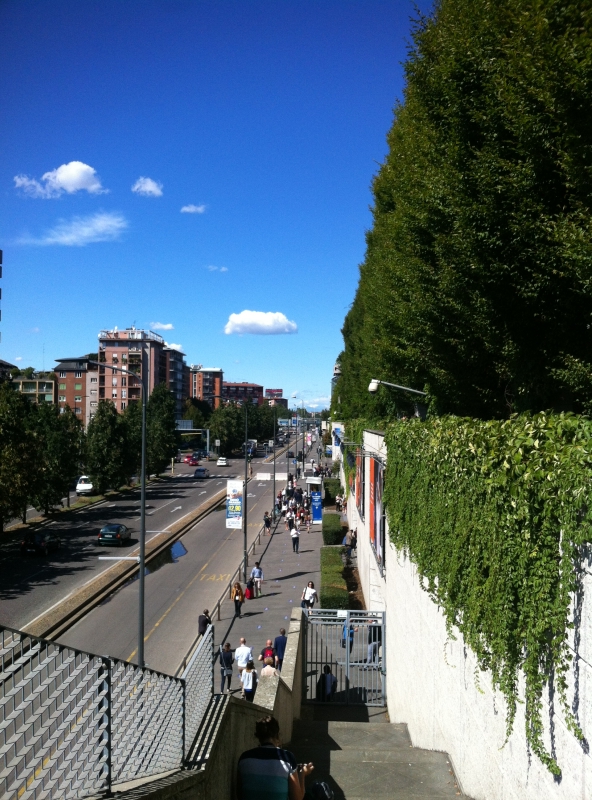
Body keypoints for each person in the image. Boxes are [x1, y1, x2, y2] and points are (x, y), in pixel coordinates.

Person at [237, 715, 314, 800]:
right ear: (277, 735)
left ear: (258, 736)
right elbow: (297, 798)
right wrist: (302, 774)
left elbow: (239, 794)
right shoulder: (287, 757)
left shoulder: (244, 758)